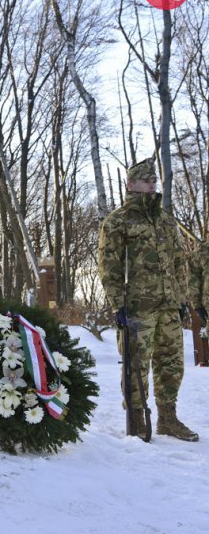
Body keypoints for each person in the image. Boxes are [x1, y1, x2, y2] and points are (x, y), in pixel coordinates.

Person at [98, 157, 198, 442]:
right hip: (137, 308)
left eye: (155, 181)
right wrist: (118, 304)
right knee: (136, 365)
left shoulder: (165, 220)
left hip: (168, 306)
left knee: (172, 364)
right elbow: (109, 266)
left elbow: (179, 262)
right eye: (147, 181)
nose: (153, 185)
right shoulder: (118, 221)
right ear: (131, 185)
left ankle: (168, 418)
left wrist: (180, 300)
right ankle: (137, 420)